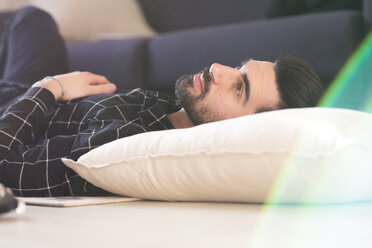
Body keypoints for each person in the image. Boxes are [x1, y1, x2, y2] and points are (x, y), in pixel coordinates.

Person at [0, 7, 323, 197]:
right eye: (238, 68)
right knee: (32, 20)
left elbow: (5, 166)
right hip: (24, 94)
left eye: (239, 89)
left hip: (15, 108)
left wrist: (48, 89)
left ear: (245, 130)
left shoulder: (127, 142)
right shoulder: (171, 111)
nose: (217, 69)